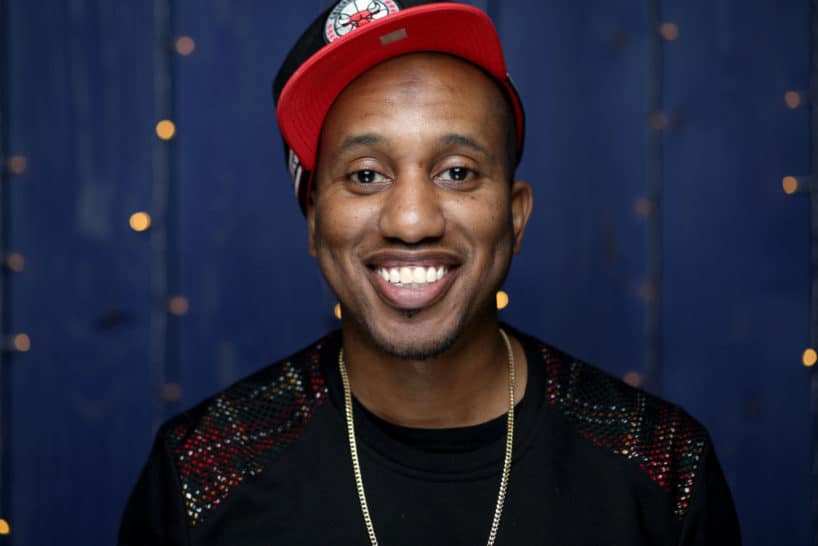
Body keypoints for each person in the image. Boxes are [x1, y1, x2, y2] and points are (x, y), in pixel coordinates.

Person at [118, 1, 741, 544]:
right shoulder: (203, 469)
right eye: (366, 175)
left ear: (516, 219)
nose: (412, 221)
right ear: (313, 221)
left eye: (457, 172)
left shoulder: (662, 467)